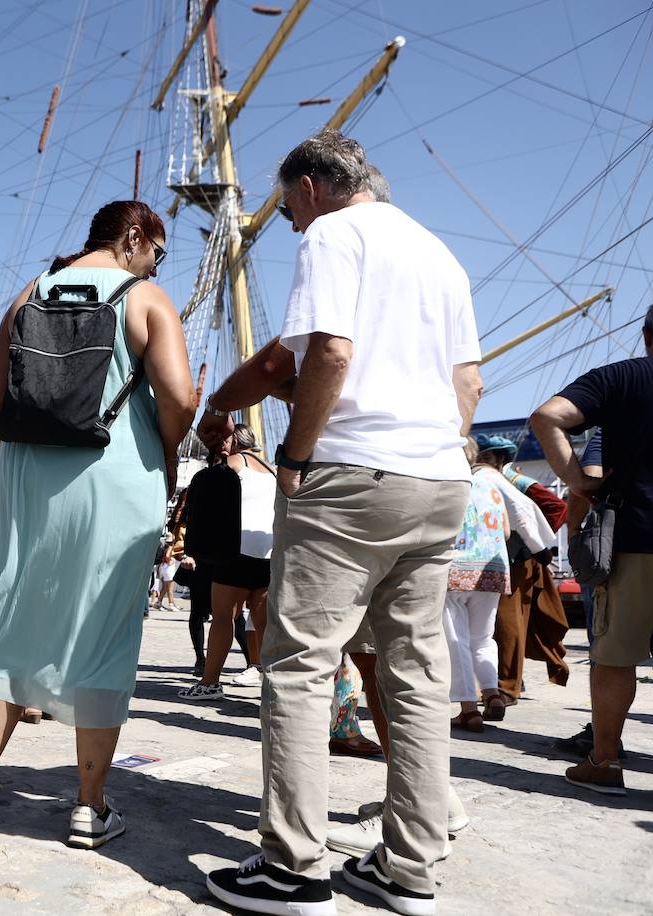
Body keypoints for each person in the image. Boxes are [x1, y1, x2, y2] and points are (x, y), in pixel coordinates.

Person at [199, 130, 481, 915]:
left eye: (288, 205)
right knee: (418, 676)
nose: (289, 222)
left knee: (298, 664)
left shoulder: (332, 233)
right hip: (437, 476)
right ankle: (409, 865)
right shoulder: (438, 253)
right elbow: (470, 382)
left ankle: (292, 866)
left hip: (351, 474)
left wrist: (294, 455)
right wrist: (431, 449)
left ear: (314, 187)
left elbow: (321, 355)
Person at [0, 199, 195, 847]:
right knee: (103, 635)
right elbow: (182, 398)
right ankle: (88, 805)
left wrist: (11, 481)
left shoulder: (28, 294)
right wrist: (163, 455)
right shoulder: (145, 299)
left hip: (26, 478)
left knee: (9, 618)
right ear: (134, 237)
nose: (157, 263)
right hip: (114, 477)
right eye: (157, 251)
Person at [531, 298, 653, 796]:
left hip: (636, 535)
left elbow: (548, 416)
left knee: (614, 656)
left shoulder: (622, 377)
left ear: (648, 337)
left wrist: (576, 480)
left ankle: (605, 762)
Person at [178, 424, 273, 701]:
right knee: (264, 622)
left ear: (236, 440)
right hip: (268, 551)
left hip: (236, 549)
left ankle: (210, 682)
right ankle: (273, 687)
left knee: (222, 618)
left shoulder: (232, 464)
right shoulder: (272, 469)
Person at [470, 434, 564, 711]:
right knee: (493, 628)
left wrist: (537, 548)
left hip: (513, 559)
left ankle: (507, 686)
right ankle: (501, 684)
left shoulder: (494, 478)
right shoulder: (490, 478)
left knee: (505, 624)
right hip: (496, 559)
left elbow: (538, 510)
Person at [442, 438, 512, 732]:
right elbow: (506, 531)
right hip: (491, 571)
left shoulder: (446, 482)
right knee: (483, 638)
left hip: (455, 570)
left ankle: (468, 708)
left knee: (455, 639)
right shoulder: (489, 486)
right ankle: (492, 692)